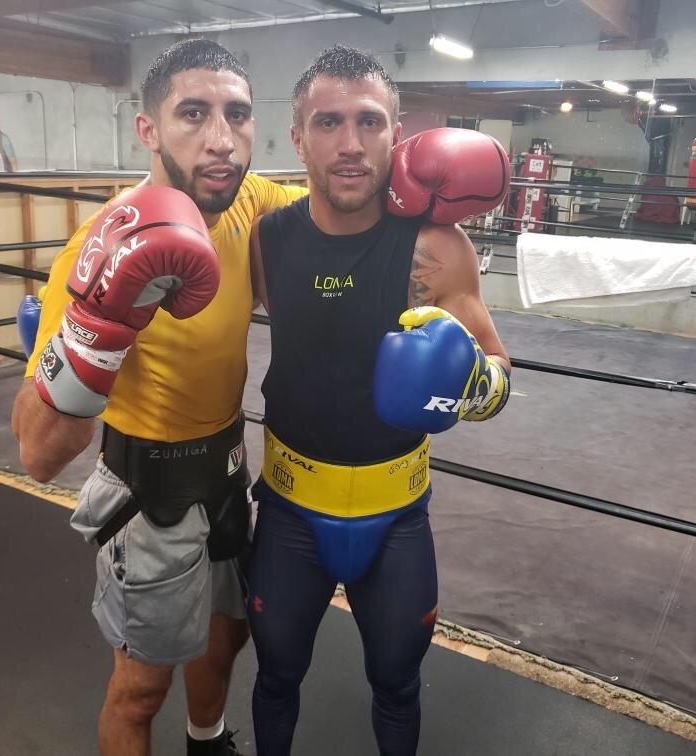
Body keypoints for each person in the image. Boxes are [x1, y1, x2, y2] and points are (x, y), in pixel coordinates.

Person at [11, 39, 305, 756]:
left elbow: (342, 207)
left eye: (238, 115)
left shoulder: (252, 200)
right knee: (141, 689)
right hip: (148, 494)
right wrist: (97, 332)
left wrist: (410, 189)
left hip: (229, 474)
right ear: (148, 129)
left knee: (225, 639)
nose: (221, 139)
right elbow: (38, 454)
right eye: (194, 114)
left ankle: (208, 740)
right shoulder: (95, 247)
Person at [245, 46, 511, 755]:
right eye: (328, 122)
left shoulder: (436, 248)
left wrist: (467, 384)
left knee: (397, 682)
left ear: (397, 134)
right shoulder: (269, 238)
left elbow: (498, 369)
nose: (350, 144)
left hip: (397, 516)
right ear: (298, 138)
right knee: (276, 674)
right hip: (289, 508)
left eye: (368, 121)